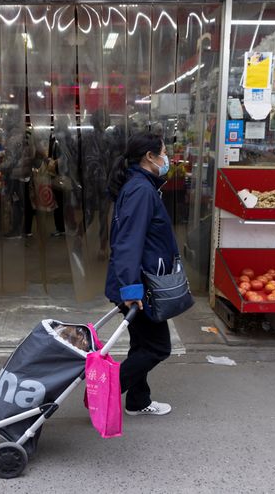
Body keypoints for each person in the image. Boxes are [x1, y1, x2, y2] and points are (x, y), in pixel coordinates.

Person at [105, 132, 179, 416]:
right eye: (163, 151)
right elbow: (127, 242)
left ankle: (138, 401)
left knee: (142, 344)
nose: (166, 157)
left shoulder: (141, 185)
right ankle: (105, 390)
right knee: (158, 347)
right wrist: (131, 290)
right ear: (149, 157)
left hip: (138, 281)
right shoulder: (141, 190)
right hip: (138, 285)